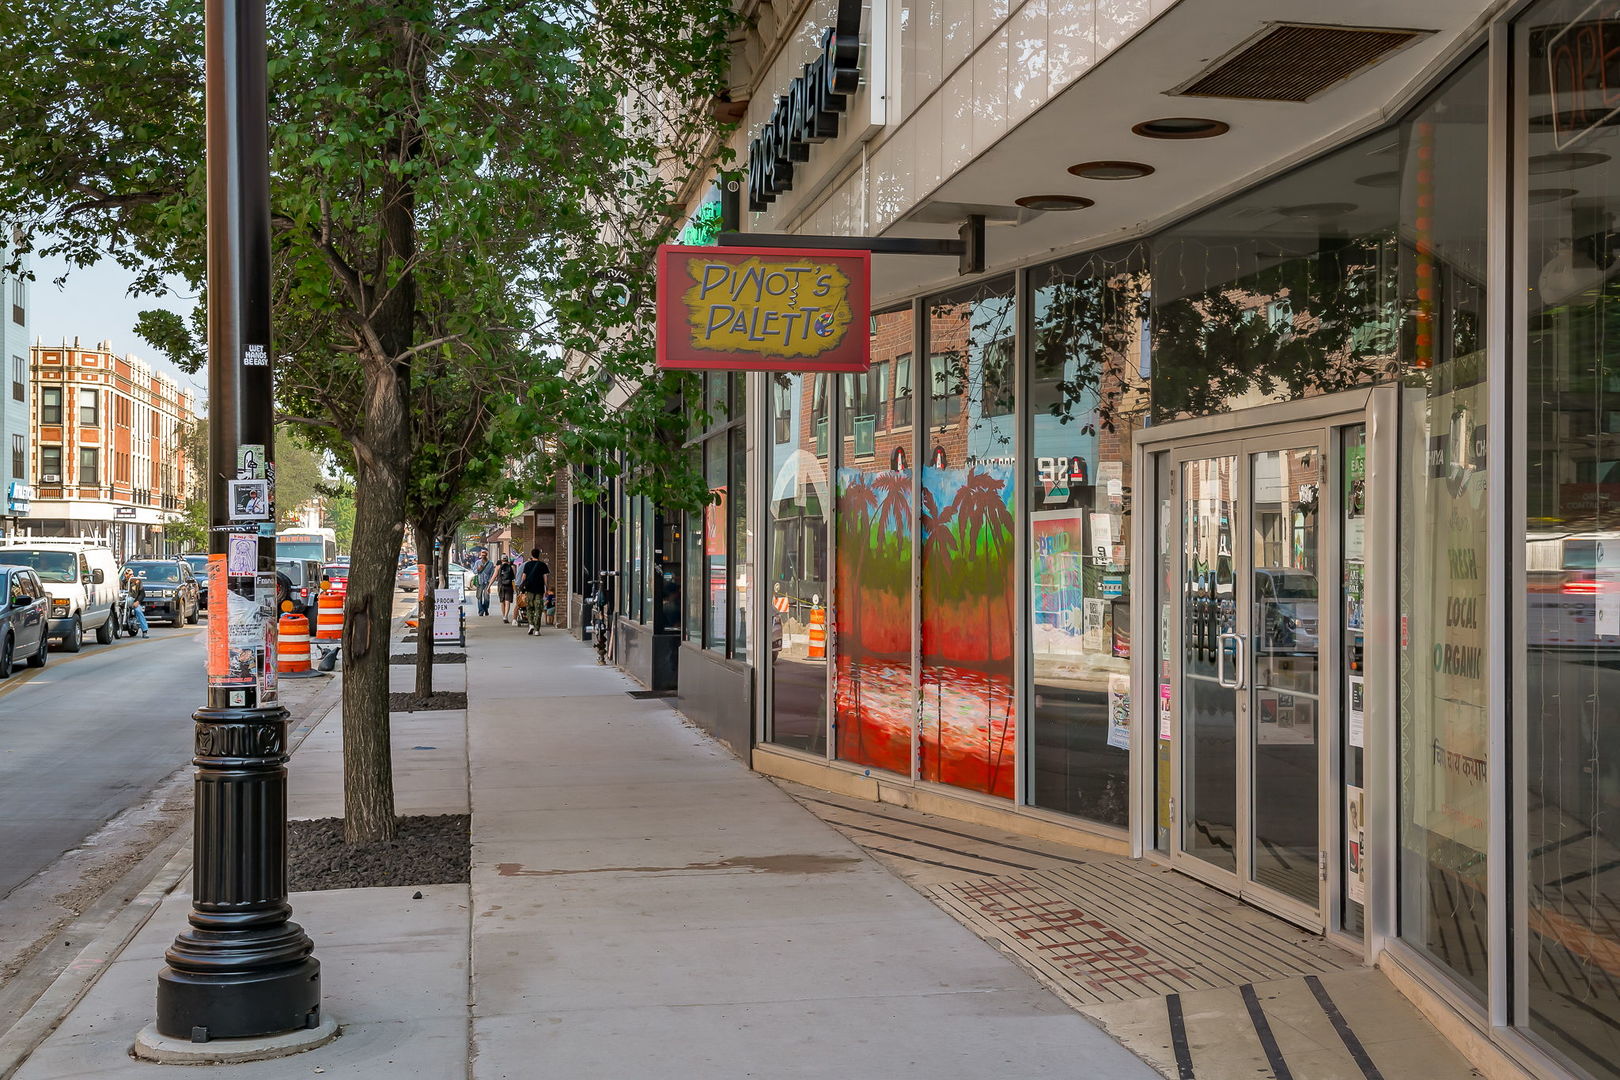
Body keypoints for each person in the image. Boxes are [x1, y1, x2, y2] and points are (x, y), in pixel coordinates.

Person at [518, 548, 550, 635]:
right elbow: (545, 578)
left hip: (529, 589)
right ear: (539, 555)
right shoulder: (543, 565)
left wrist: (522, 587)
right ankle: (537, 630)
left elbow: (524, 577)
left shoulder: (527, 565)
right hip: (539, 589)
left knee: (529, 607)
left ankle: (531, 624)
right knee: (538, 608)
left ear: (531, 555)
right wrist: (546, 588)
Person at [495, 556, 516, 623]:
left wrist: (489, 586)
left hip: (501, 586)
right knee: (507, 601)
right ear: (507, 560)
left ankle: (503, 615)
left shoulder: (498, 567)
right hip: (509, 585)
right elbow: (514, 577)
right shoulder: (512, 567)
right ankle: (506, 616)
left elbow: (494, 576)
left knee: (502, 601)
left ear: (501, 560)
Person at [473, 551, 494, 617]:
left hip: (487, 582)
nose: (483, 556)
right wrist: (478, 569)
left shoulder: (490, 563)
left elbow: (492, 573)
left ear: (486, 555)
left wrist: (490, 581)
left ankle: (486, 609)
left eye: (484, 555)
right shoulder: (477, 562)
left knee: (486, 598)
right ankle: (481, 611)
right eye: (482, 555)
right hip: (480, 582)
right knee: (479, 597)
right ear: (480, 556)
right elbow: (474, 571)